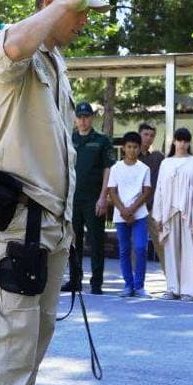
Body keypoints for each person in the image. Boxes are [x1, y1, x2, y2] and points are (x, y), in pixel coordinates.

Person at [0, 0, 108, 385]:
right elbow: (11, 47)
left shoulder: (55, 62)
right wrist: (58, 5)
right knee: (13, 332)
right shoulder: (10, 49)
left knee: (38, 331)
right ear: (51, 3)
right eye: (79, 10)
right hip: (20, 223)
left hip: (51, 222)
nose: (84, 22)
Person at [65, 102, 114, 295]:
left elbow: (107, 168)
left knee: (96, 241)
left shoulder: (102, 140)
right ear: (75, 118)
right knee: (72, 241)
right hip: (73, 198)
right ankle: (75, 280)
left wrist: (103, 197)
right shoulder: (69, 138)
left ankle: (96, 283)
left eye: (86, 116)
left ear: (92, 118)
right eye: (80, 116)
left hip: (94, 198)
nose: (83, 120)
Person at [152, 127, 193, 301]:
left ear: (189, 143)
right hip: (168, 211)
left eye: (185, 140)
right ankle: (172, 288)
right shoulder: (165, 163)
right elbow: (159, 190)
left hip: (188, 211)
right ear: (174, 141)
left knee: (190, 250)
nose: (182, 144)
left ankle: (189, 290)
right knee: (170, 249)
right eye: (179, 140)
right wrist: (158, 216)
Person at [107, 132, 152, 297]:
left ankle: (139, 285)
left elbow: (146, 191)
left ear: (140, 149)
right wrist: (123, 210)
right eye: (129, 147)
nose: (132, 150)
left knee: (140, 248)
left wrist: (132, 209)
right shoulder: (116, 168)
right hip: (121, 214)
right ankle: (128, 285)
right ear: (124, 148)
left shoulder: (144, 169)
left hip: (139, 214)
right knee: (124, 249)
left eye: (135, 147)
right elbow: (112, 191)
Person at [138, 122, 166, 278]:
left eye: (152, 135)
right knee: (137, 247)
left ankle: (172, 281)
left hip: (154, 209)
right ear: (139, 134)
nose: (148, 138)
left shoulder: (158, 157)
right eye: (145, 134)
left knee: (162, 244)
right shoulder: (130, 156)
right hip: (134, 209)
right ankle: (135, 281)